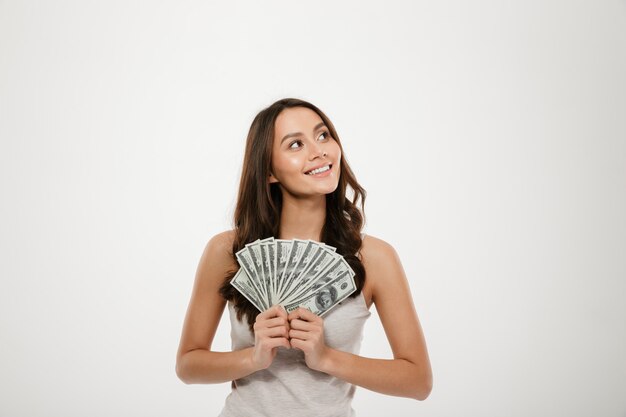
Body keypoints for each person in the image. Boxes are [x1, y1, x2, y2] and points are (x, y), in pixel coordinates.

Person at [175, 98, 433, 416]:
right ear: (269, 170)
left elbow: (418, 381)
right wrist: (254, 357)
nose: (319, 151)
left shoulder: (375, 258)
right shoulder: (227, 251)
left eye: (323, 135)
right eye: (296, 144)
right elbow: (188, 364)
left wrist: (325, 357)